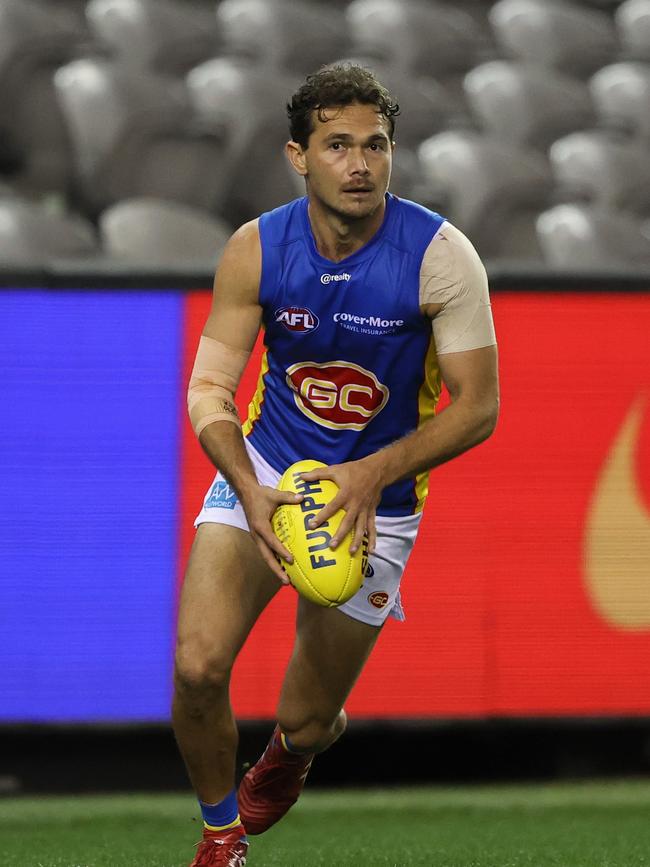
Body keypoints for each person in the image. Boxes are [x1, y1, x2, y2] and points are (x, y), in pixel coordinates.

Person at [174, 63, 499, 867]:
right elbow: (211, 388)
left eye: (376, 145)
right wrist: (246, 487)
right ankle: (222, 838)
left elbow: (478, 406)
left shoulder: (442, 257)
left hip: (377, 500)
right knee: (197, 664)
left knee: (310, 715)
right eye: (339, 145)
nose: (360, 163)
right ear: (299, 155)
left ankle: (295, 748)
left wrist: (368, 473)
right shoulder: (256, 248)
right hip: (269, 470)